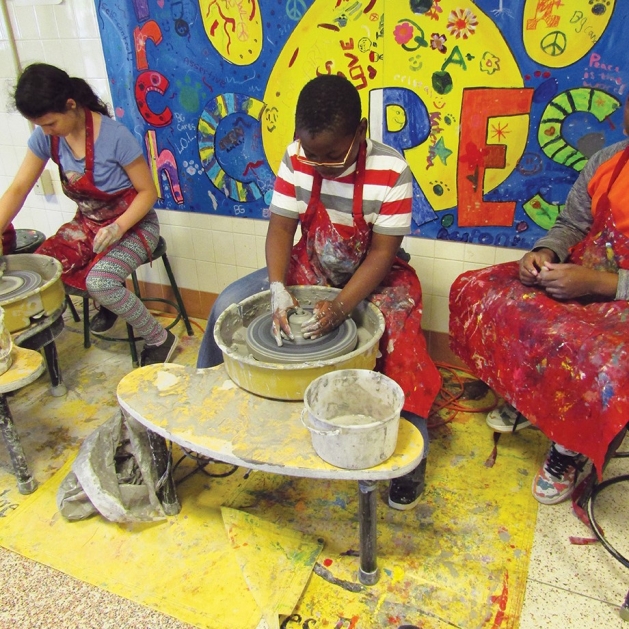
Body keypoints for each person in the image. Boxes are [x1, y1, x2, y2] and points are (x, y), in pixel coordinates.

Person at [197, 74, 442, 509]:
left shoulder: (391, 171)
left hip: (374, 276)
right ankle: (206, 411)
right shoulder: (297, 159)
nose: (321, 164)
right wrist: (277, 288)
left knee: (401, 349)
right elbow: (280, 228)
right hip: (311, 263)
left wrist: (343, 306)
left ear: (360, 132)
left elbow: (383, 254)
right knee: (228, 303)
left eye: (332, 155)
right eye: (313, 154)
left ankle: (410, 457)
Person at [450, 94, 629, 505]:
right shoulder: (607, 161)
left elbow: (602, 285)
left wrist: (601, 284)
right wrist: (545, 254)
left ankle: (569, 448)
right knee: (483, 292)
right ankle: (531, 399)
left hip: (614, 296)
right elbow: (570, 224)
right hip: (581, 275)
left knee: (591, 353)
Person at [0, 63, 177, 366]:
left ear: (71, 106)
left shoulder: (115, 137)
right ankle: (107, 303)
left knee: (100, 282)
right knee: (44, 268)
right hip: (89, 223)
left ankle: (160, 338)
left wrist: (119, 227)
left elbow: (149, 193)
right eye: (40, 126)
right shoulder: (48, 137)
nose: (45, 132)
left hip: (135, 224)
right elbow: (18, 189)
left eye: (50, 123)